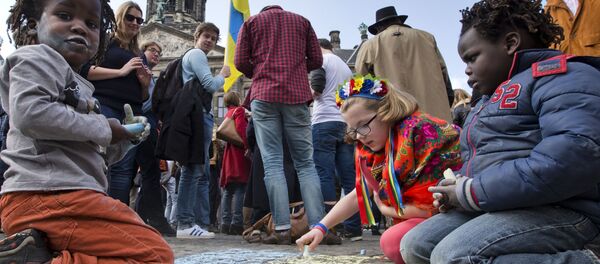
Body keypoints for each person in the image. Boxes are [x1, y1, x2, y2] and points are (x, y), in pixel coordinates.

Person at [400, 1, 600, 263]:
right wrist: (457, 185)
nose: (467, 69)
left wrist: (472, 191)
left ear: (510, 43)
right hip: (505, 201)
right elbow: (490, 158)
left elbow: (573, 155)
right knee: (416, 245)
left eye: (472, 57)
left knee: (454, 256)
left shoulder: (564, 76)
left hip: (568, 208)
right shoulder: (489, 97)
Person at [0, 0, 174, 262]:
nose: (80, 27)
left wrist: (125, 138)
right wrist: (105, 126)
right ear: (35, 25)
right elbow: (30, 114)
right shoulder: (36, 57)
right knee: (154, 255)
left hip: (64, 196)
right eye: (65, 15)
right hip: (47, 196)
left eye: (91, 24)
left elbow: (92, 153)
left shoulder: (80, 85)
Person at [296, 75, 462, 263]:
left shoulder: (421, 133)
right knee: (394, 240)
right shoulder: (375, 147)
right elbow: (358, 193)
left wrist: (385, 209)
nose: (359, 136)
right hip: (420, 218)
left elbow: (434, 208)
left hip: (457, 215)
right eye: (352, 129)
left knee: (393, 241)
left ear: (386, 111)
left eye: (363, 125)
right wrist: (321, 228)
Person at [234, 5, 325, 245]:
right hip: (296, 95)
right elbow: (316, 59)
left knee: (272, 163)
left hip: (264, 95)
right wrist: (294, 70)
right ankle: (319, 226)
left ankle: (282, 229)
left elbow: (240, 61)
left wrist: (263, 69)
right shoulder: (302, 21)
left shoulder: (252, 23)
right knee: (306, 164)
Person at [80, 1, 153, 208]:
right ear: (120, 17)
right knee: (98, 161)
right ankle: (93, 210)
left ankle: (116, 214)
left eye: (139, 19)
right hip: (106, 106)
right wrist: (121, 71)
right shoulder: (105, 42)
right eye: (130, 17)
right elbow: (85, 70)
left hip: (131, 112)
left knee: (123, 168)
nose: (135, 23)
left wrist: (145, 85)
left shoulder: (139, 54)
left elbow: (143, 97)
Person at [175, 22, 230, 239]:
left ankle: (199, 223)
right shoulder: (196, 54)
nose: (209, 41)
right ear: (196, 37)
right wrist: (223, 74)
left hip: (202, 116)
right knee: (192, 170)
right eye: (206, 36)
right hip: (197, 116)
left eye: (214, 39)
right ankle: (186, 223)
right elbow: (210, 85)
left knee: (202, 173)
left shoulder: (198, 56)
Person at [356, 6, 454, 122]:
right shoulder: (427, 38)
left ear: (379, 27)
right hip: (436, 117)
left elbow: (362, 84)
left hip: (396, 118)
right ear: (399, 21)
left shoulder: (369, 45)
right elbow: (444, 73)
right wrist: (447, 100)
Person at [310, 38, 362, 241]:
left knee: (325, 174)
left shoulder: (320, 60)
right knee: (349, 176)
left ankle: (331, 226)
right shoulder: (345, 67)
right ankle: (354, 228)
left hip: (323, 121)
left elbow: (316, 89)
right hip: (344, 123)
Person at [130, 40, 176, 236]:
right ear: (142, 51)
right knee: (146, 173)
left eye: (159, 52)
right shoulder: (140, 71)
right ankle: (155, 219)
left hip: (148, 127)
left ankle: (139, 218)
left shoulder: (153, 78)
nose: (156, 54)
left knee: (147, 174)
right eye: (152, 50)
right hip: (139, 125)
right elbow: (145, 104)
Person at [219, 91, 250, 235]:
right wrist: (247, 146)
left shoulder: (228, 113)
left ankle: (225, 223)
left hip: (229, 153)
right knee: (239, 188)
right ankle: (236, 223)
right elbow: (241, 130)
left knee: (228, 190)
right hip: (239, 154)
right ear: (237, 99)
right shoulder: (239, 110)